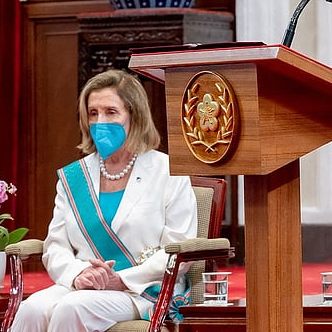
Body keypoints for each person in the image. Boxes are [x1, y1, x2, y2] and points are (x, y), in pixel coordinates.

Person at [11, 69, 198, 331]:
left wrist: (120, 280)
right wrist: (78, 275)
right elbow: (55, 246)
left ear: (135, 116)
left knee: (73, 307)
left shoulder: (168, 172)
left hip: (143, 289)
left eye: (111, 112)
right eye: (93, 113)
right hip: (84, 286)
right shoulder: (74, 177)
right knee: (32, 309)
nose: (100, 122)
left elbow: (180, 248)